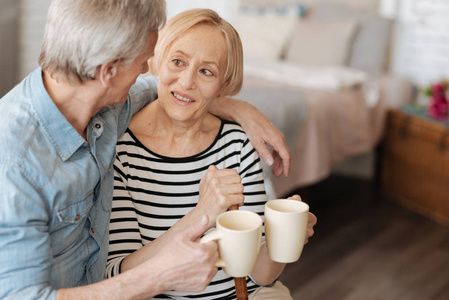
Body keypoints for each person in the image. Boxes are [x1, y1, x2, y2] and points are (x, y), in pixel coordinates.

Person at [0, 1, 295, 299]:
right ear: (109, 71)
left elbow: (169, 89)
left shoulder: (104, 106)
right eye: (144, 61)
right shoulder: (15, 162)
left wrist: (238, 107)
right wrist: (162, 274)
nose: (146, 70)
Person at [105, 9, 317, 300]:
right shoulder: (122, 152)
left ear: (224, 86)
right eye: (177, 61)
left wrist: (284, 241)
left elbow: (260, 274)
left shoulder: (238, 145)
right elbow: (121, 276)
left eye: (207, 71)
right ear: (155, 61)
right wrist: (202, 214)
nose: (187, 81)